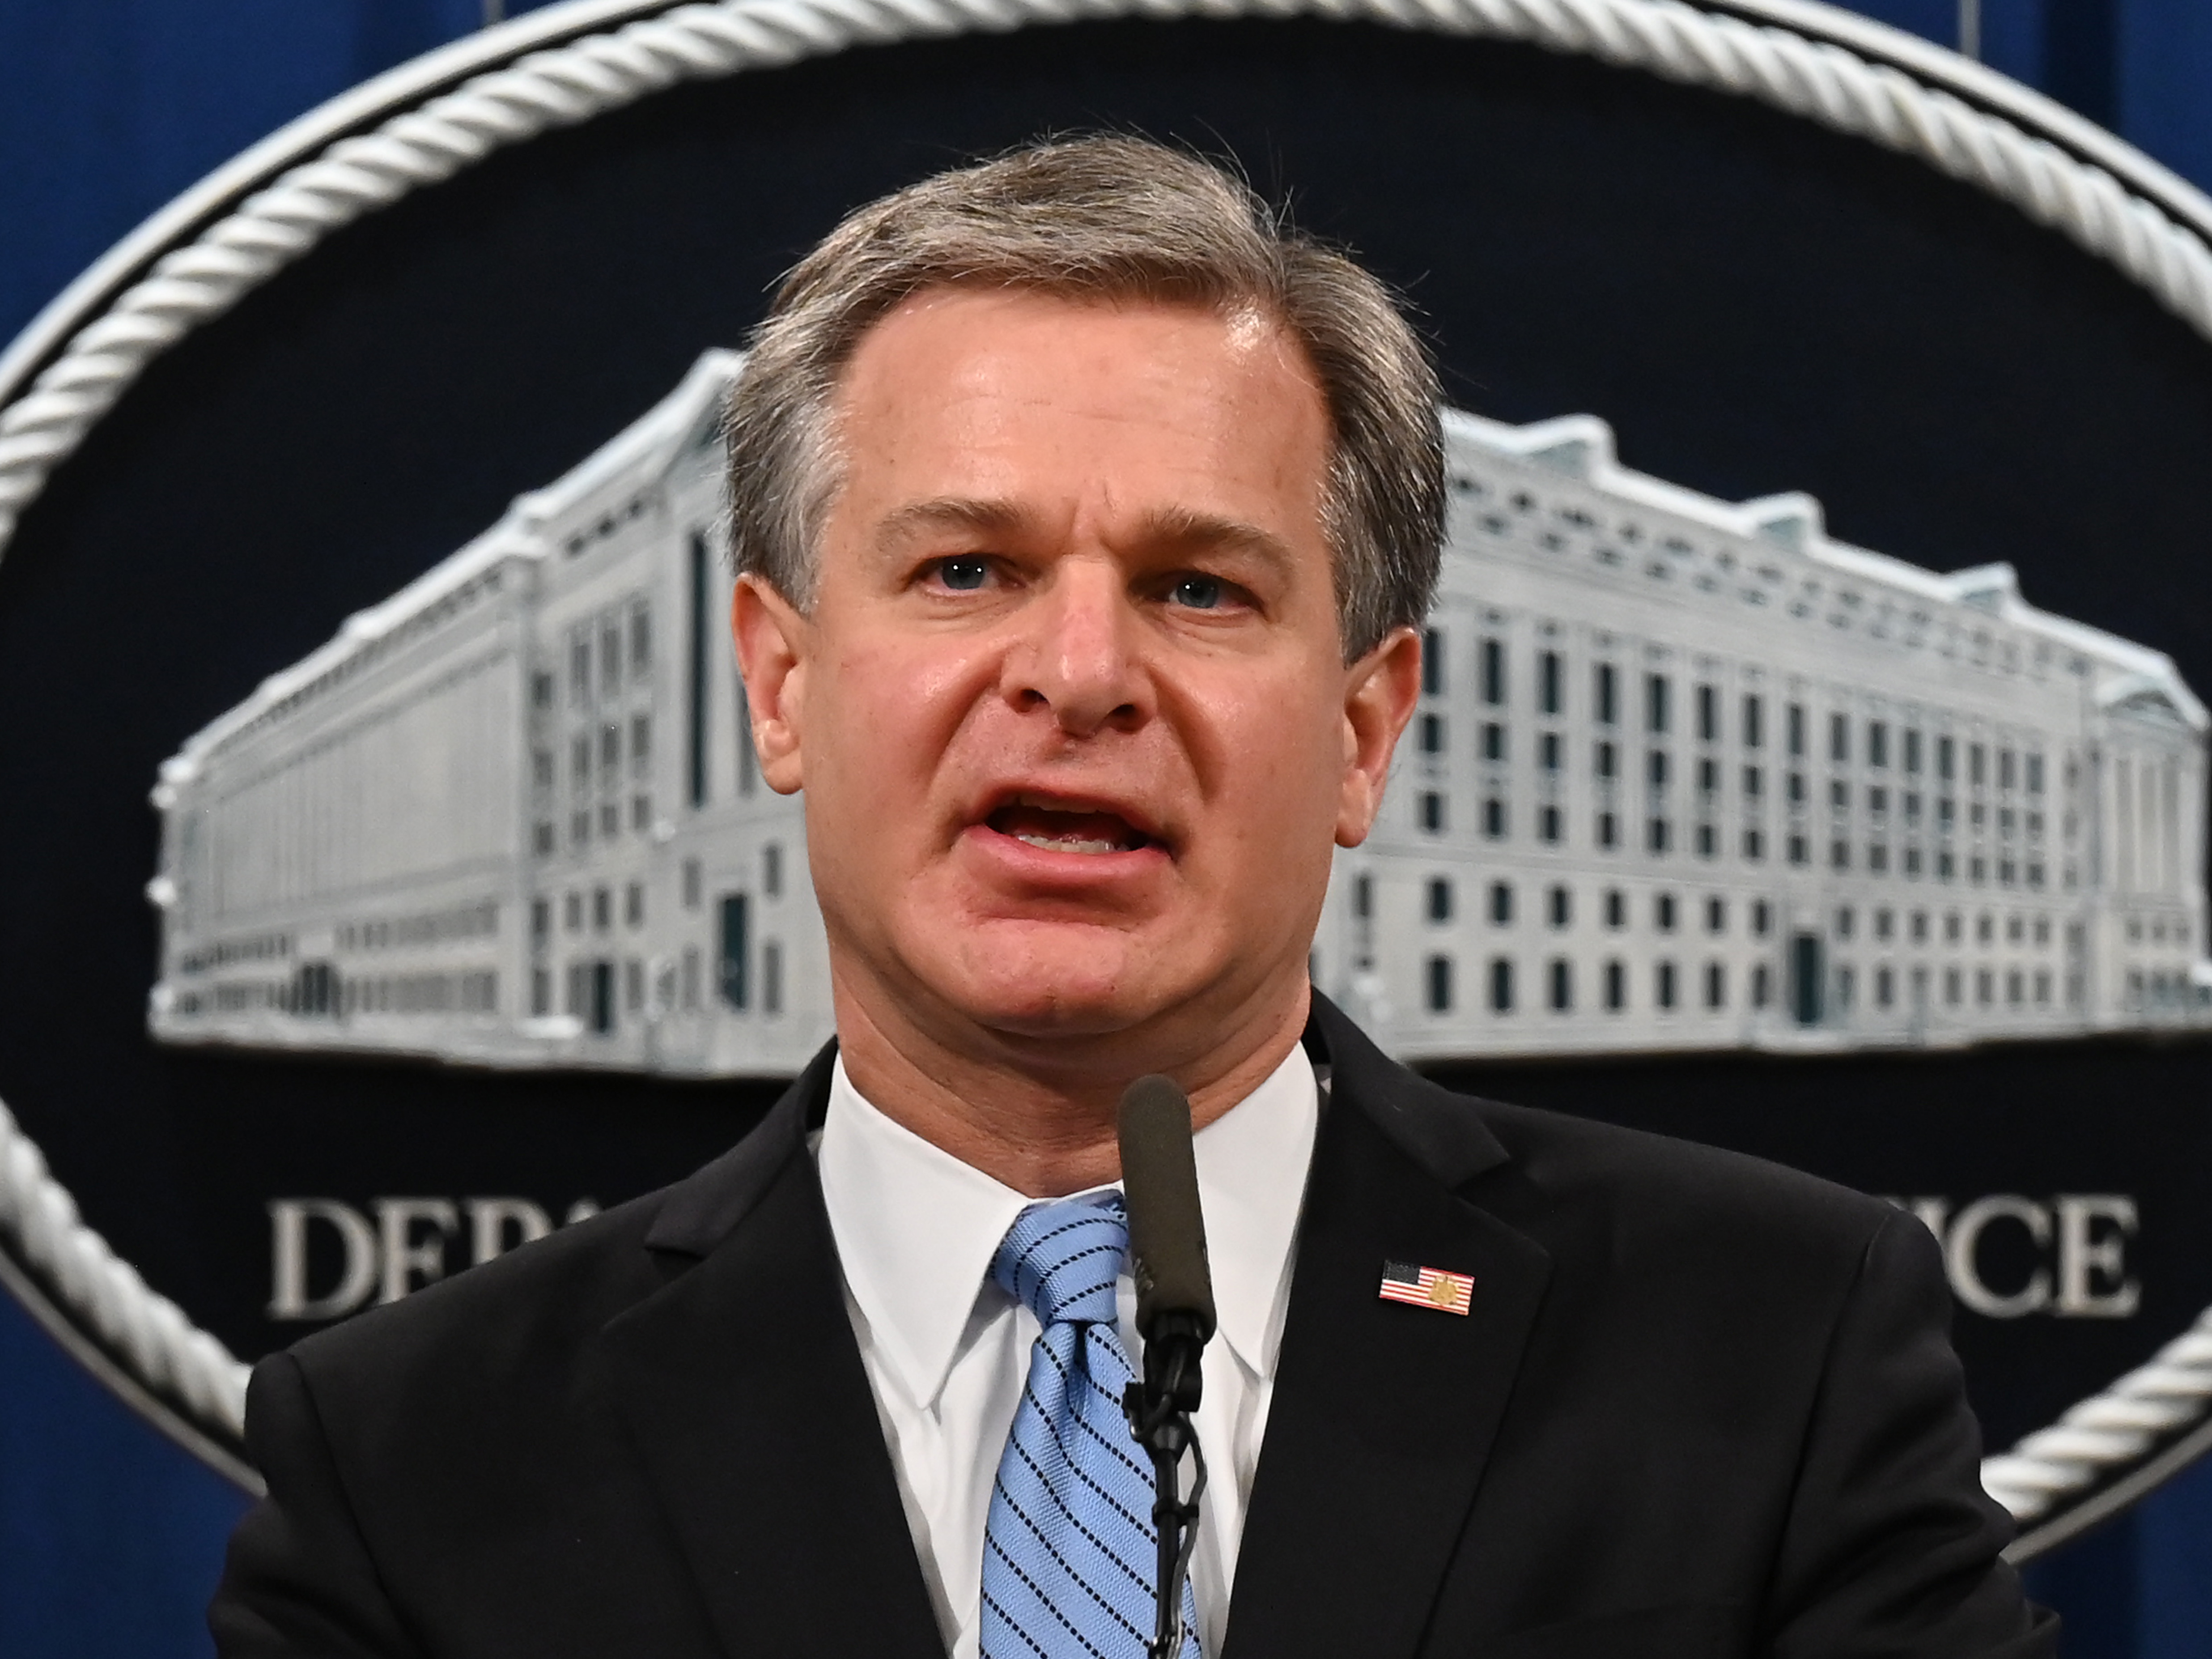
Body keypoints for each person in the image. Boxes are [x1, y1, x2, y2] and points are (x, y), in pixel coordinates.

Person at [209, 136, 2053, 1659]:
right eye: (962, 568)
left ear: (1358, 727)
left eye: (1198, 590)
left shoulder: (1772, 1348)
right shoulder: (415, 1459)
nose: (1078, 672)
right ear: (780, 683)